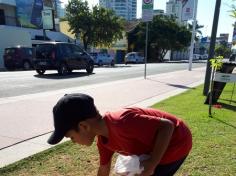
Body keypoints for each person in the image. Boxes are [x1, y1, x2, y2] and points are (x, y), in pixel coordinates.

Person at [48, 93, 192, 176]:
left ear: (84, 126)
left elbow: (167, 126)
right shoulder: (103, 141)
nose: (73, 142)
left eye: (71, 137)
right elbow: (104, 168)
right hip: (155, 147)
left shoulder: (121, 122)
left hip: (177, 142)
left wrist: (151, 165)